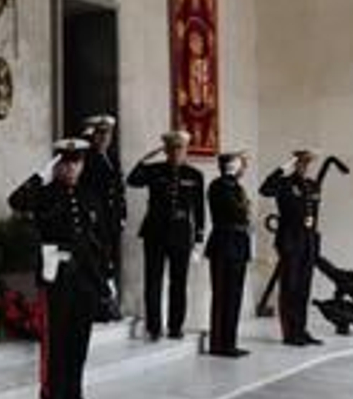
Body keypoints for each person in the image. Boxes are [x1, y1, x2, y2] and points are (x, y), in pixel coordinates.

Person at [8, 138, 106, 399]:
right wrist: (41, 175)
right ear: (58, 165)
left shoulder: (89, 195)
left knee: (79, 339)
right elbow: (16, 201)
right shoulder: (45, 194)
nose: (72, 168)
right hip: (57, 275)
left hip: (85, 275)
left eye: (77, 163)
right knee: (57, 339)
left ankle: (74, 396)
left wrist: (104, 278)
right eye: (66, 163)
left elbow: (99, 239)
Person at [126, 130, 205, 340]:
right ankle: (154, 327)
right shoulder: (154, 170)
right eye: (171, 149)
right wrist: (144, 161)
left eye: (180, 148)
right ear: (166, 151)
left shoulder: (195, 175)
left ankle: (175, 326)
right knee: (153, 281)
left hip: (181, 233)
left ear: (186, 150)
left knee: (179, 283)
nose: (176, 152)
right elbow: (132, 181)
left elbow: (199, 209)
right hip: (155, 232)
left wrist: (198, 238)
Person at [260, 149, 324, 346]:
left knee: (304, 288)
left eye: (307, 162)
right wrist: (282, 168)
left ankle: (301, 329)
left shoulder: (312, 185)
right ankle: (290, 333)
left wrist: (314, 241)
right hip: (290, 239)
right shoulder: (284, 183)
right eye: (300, 162)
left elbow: (314, 214)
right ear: (294, 163)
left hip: (308, 240)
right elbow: (265, 189)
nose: (304, 166)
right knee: (290, 287)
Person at [78, 115, 126, 321]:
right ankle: (99, 307)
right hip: (95, 218)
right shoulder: (87, 158)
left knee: (109, 261)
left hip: (111, 218)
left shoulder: (112, 157)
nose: (105, 138)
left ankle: (107, 304)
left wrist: (122, 214)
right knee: (97, 262)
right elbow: (85, 189)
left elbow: (118, 189)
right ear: (93, 135)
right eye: (100, 134)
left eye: (108, 134)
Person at [205, 150, 252, 358]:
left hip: (238, 244)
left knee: (234, 296)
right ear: (232, 166)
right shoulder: (219, 186)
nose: (244, 168)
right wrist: (245, 210)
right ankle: (218, 344)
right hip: (224, 244)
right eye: (242, 164)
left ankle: (230, 342)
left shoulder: (236, 187)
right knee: (222, 296)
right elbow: (237, 212)